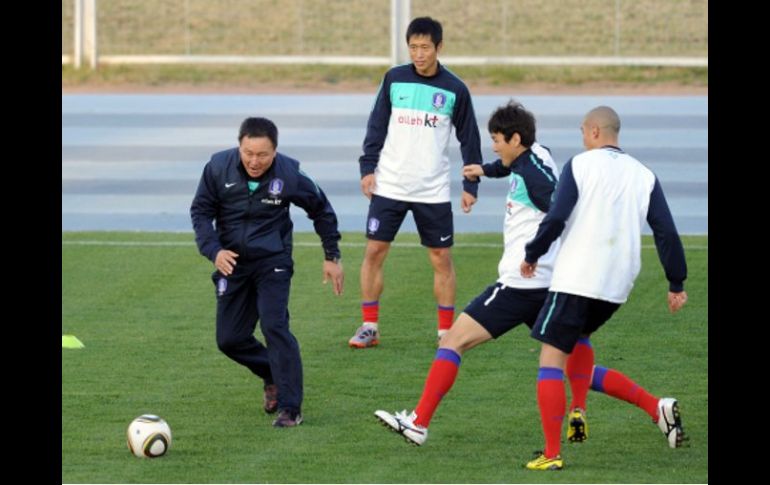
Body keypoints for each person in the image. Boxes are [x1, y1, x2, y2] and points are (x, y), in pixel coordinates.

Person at [373, 101, 669, 449]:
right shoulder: (534, 155)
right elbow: (510, 166)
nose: (494, 146)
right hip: (550, 285)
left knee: (453, 340)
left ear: (515, 139)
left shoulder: (533, 174)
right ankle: (656, 407)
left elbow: (557, 207)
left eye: (497, 139)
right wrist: (483, 170)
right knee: (573, 369)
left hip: (521, 284)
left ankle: (419, 422)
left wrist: (534, 253)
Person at [520, 106, 688, 471]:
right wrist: (676, 282)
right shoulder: (644, 175)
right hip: (616, 286)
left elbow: (556, 217)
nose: (582, 137)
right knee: (579, 338)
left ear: (595, 131)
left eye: (582, 131)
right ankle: (610, 406)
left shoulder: (580, 165)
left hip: (578, 277)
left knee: (550, 360)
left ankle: (550, 454)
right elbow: (666, 231)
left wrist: (532, 253)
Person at [190, 117, 344, 428]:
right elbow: (201, 211)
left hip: (272, 262)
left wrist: (332, 255)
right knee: (229, 339)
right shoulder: (217, 168)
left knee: (274, 326)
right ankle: (271, 372)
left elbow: (321, 209)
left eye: (262, 155)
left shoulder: (289, 173)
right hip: (231, 264)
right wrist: (214, 251)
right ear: (239, 146)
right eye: (248, 153)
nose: (254, 161)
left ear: (275, 151)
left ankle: (290, 407)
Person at [348, 16, 483, 348]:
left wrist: (470, 186)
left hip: (432, 189)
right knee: (375, 250)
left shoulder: (455, 89)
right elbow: (376, 126)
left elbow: (470, 140)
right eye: (413, 47)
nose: (419, 54)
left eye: (425, 47)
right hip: (390, 185)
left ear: (439, 47)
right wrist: (368, 168)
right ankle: (369, 326)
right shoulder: (394, 79)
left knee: (440, 258)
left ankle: (445, 332)